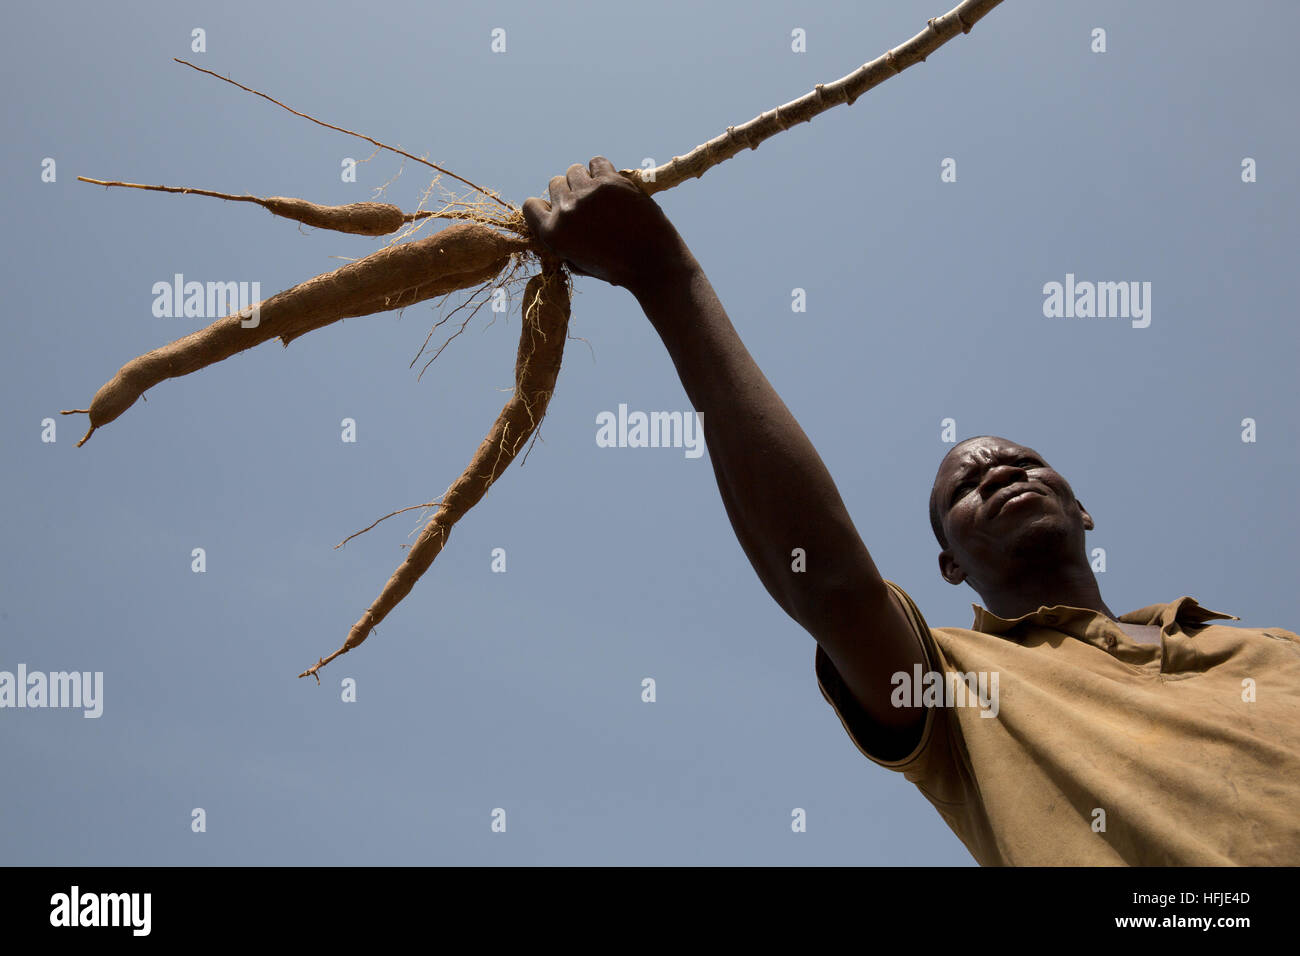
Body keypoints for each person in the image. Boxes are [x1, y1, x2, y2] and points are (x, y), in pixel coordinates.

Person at [522, 157, 1300, 866]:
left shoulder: (1270, 652)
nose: (998, 473)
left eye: (1022, 462)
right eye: (966, 488)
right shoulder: (955, 686)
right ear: (950, 565)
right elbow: (831, 586)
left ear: (1083, 510)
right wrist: (665, 275)